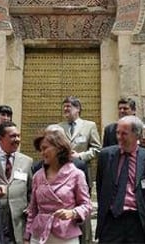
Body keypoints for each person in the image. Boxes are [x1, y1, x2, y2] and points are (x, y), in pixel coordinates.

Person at [96, 115, 145, 244]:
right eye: (117, 133)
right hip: (111, 219)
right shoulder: (105, 155)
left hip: (137, 221)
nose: (119, 137)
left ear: (137, 135)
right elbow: (101, 185)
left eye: (124, 134)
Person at [24, 128, 92, 244]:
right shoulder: (38, 176)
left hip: (65, 235)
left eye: (45, 148)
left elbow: (87, 205)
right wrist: (27, 237)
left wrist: (72, 213)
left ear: (59, 148)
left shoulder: (76, 174)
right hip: (39, 235)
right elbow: (33, 210)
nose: (42, 153)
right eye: (40, 150)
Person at [58, 96, 100, 244]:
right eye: (64, 107)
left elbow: (97, 149)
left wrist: (81, 156)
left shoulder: (89, 126)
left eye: (68, 106)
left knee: (83, 206)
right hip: (62, 175)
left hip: (82, 173)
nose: (65, 109)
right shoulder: (59, 127)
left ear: (77, 108)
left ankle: (85, 239)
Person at [0, 121, 33, 244]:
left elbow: (31, 190)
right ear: (0, 139)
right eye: (13, 136)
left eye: (18, 136)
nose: (17, 139)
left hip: (19, 222)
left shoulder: (27, 161)